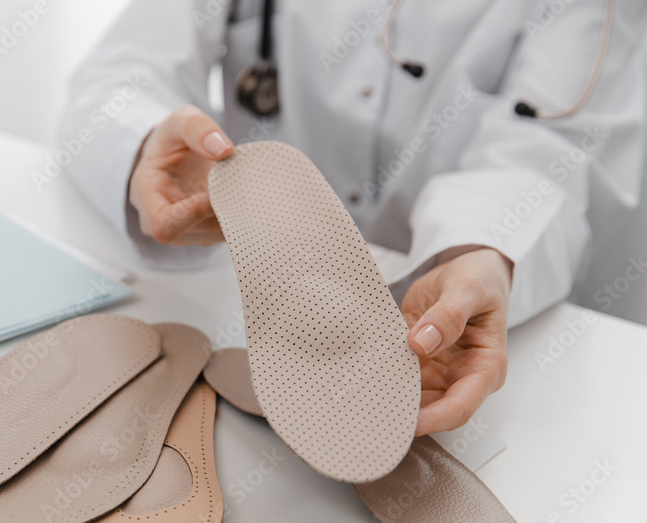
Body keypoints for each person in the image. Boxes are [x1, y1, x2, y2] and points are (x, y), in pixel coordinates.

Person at [58, 0, 646, 435]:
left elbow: (554, 155)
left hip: (427, 331)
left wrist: (480, 251)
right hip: (236, 291)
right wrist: (145, 150)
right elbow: (115, 76)